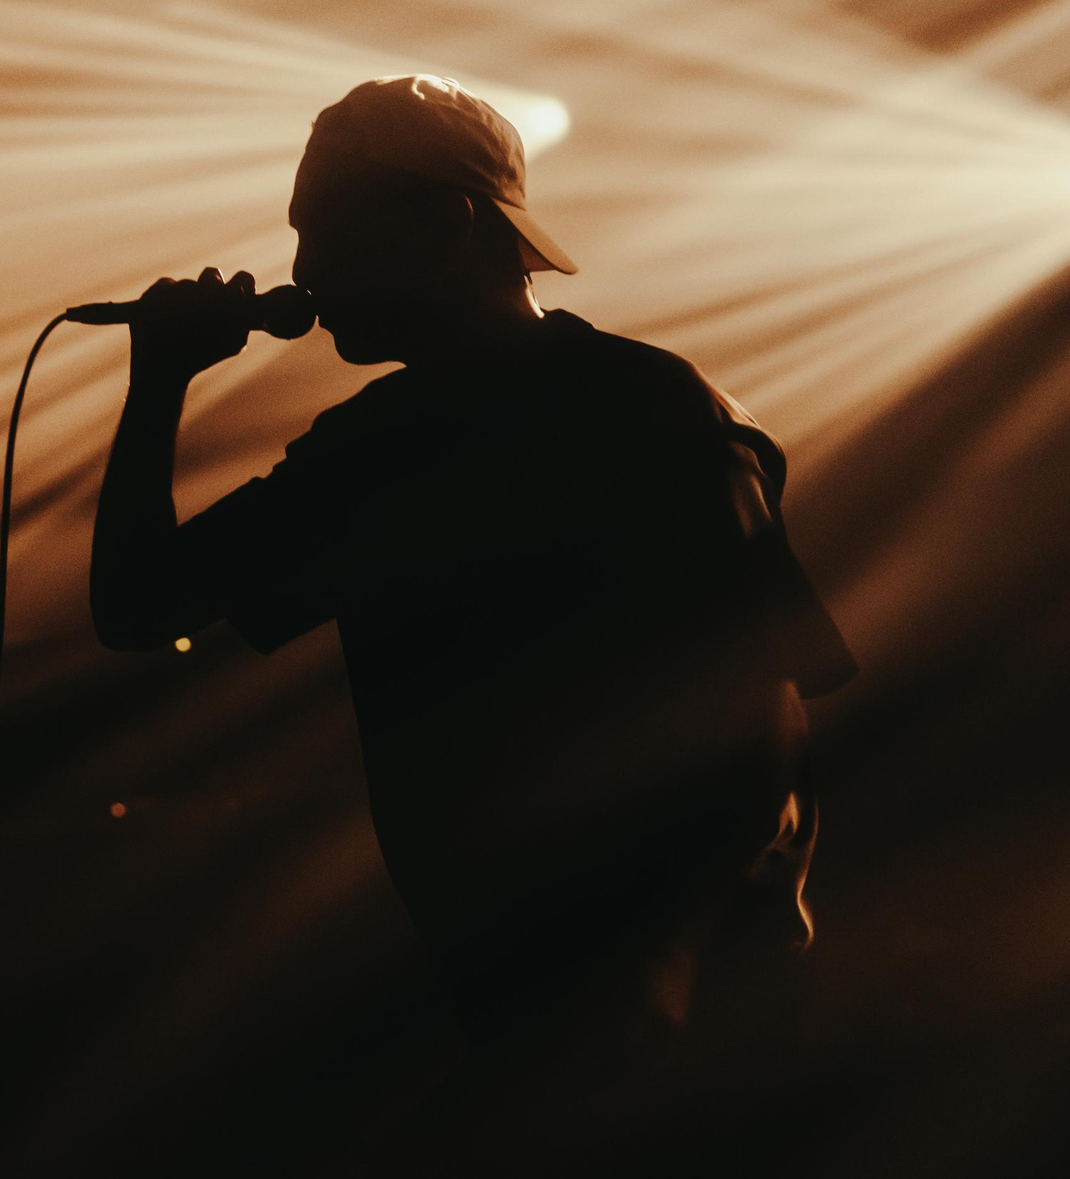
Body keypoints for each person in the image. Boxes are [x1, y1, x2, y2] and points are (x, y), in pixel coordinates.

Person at [88, 75, 855, 1153]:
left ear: (445, 223)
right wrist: (159, 382)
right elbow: (139, 607)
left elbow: (761, 708)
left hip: (696, 1026)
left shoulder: (645, 410)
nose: (302, 270)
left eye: (324, 230)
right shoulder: (371, 452)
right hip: (525, 1007)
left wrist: (666, 957)